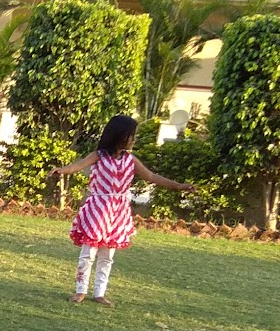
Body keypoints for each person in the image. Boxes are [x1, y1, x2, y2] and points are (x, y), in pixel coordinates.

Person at [51, 115, 193, 306]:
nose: (134, 140)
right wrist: (63, 170)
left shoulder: (131, 160)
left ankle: (99, 292)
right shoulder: (99, 156)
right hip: (97, 210)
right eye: (131, 136)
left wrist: (179, 186)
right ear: (119, 136)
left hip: (118, 213)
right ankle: (80, 290)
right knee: (88, 253)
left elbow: (151, 176)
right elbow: (78, 165)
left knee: (107, 256)